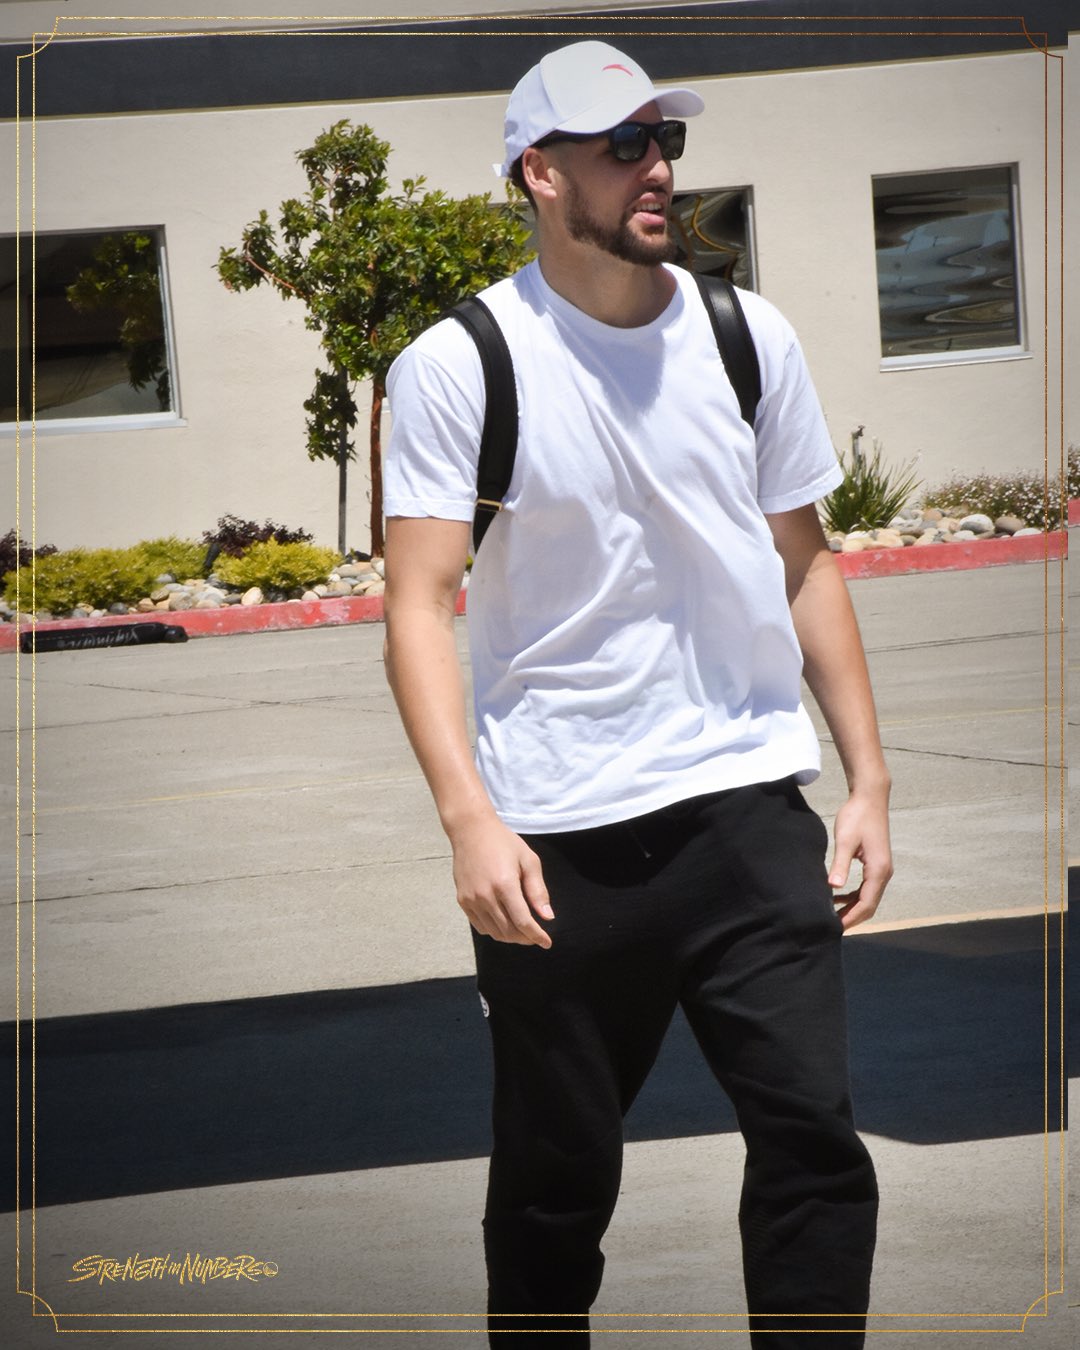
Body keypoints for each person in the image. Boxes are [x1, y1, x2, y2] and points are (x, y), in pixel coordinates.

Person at [382, 40, 892, 1348]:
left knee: (816, 1146)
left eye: (665, 140)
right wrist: (469, 820)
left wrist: (869, 779)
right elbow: (417, 605)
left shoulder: (745, 335)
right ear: (540, 173)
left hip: (748, 814)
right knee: (554, 1189)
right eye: (623, 145)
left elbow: (805, 560)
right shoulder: (463, 363)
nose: (657, 166)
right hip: (563, 846)